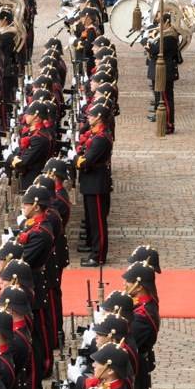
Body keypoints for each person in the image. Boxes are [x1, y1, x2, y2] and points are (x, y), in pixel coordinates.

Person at [76, 104, 113, 268]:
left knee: (98, 221)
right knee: (92, 218)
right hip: (91, 181)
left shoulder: (101, 138)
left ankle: (99, 255)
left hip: (96, 183)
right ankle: (93, 247)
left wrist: (75, 159)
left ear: (98, 118)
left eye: (91, 115)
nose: (88, 118)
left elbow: (86, 160)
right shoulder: (96, 134)